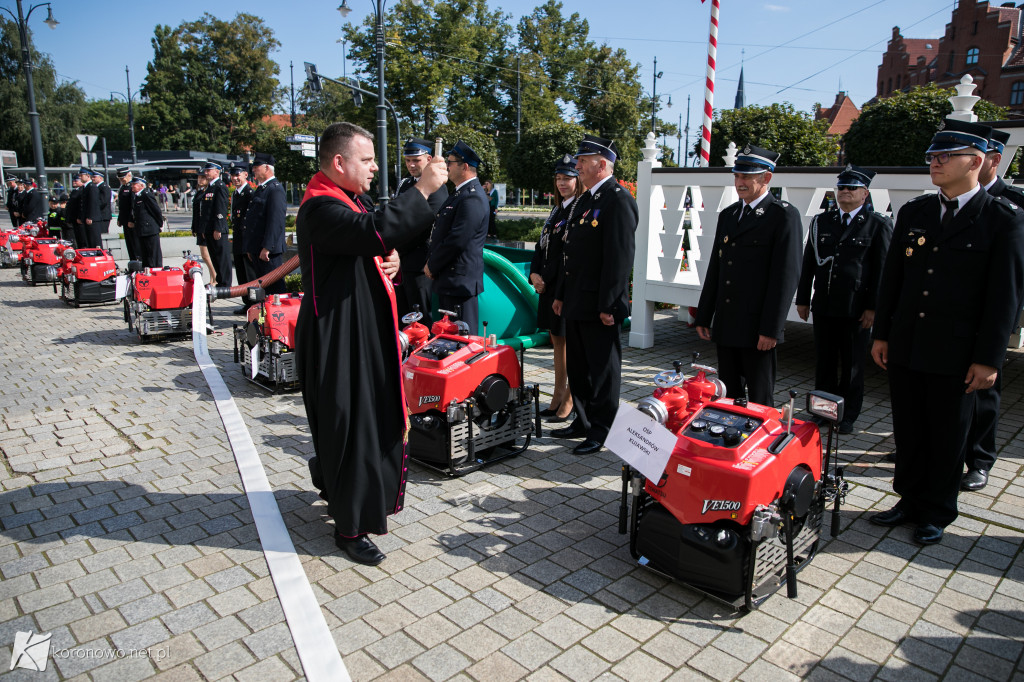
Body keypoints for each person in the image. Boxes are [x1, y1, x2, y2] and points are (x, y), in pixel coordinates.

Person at [296, 121, 447, 565]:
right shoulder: (320, 206)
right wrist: (422, 190)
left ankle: (333, 484)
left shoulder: (345, 198)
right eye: (366, 159)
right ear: (339, 162)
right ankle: (350, 527)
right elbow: (370, 231)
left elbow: (370, 236)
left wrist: (390, 255)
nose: (375, 167)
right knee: (353, 427)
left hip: (356, 329)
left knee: (348, 423)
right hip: (338, 337)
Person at [870, 118, 1024, 546]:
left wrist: (990, 358)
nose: (934, 163)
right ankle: (907, 499)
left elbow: (1004, 297)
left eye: (944, 156)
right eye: (932, 157)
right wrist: (882, 333)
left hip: (957, 353)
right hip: (908, 344)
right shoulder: (916, 211)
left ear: (975, 161)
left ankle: (936, 510)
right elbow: (893, 281)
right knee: (910, 427)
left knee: (947, 433)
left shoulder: (1002, 218)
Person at [694, 144, 802, 406]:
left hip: (757, 327)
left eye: (746, 177)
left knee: (759, 396)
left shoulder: (783, 216)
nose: (739, 183)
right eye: (737, 176)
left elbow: (785, 278)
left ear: (766, 178)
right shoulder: (729, 215)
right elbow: (717, 269)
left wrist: (771, 329)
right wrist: (705, 313)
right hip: (728, 321)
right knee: (728, 395)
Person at [551, 135, 638, 455]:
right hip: (576, 299)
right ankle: (583, 420)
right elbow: (570, 254)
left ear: (602, 165)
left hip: (600, 304)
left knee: (603, 369)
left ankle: (602, 430)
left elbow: (619, 259)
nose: (577, 166)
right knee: (579, 366)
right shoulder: (586, 199)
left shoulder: (618, 200)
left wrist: (610, 304)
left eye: (583, 162)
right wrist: (561, 294)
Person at [796, 165, 892, 434]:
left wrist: (874, 307)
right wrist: (803, 298)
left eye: (851, 188)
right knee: (824, 362)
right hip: (825, 304)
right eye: (841, 187)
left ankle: (847, 414)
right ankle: (822, 411)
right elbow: (809, 264)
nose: (845, 192)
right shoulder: (821, 222)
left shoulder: (878, 225)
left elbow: (882, 271)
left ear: (865, 193)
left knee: (852, 365)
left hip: (856, 309)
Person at [959, 129, 1024, 491]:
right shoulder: (948, 202)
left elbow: (1013, 275)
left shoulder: (1010, 206)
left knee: (983, 395)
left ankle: (979, 459)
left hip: (990, 319)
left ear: (991, 160)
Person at [530, 154, 582, 423]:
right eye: (559, 178)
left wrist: (548, 280)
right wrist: (534, 274)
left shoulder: (578, 210)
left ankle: (570, 399)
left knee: (571, 345)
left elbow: (568, 258)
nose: (562, 183)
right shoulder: (557, 209)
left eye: (568, 178)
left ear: (578, 179)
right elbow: (542, 247)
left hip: (564, 288)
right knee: (556, 342)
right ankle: (557, 394)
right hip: (548, 287)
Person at [425, 140, 489, 335]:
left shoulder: (472, 197)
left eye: (451, 162)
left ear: (465, 167)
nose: (447, 166)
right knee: (449, 340)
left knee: (462, 342)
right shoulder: (460, 194)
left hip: (459, 283)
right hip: (451, 280)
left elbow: (457, 239)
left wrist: (432, 264)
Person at [394, 137, 449, 323]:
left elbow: (424, 227)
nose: (411, 165)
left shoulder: (437, 187)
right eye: (408, 160)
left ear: (429, 159)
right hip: (401, 262)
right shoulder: (405, 184)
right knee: (403, 315)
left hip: (420, 263)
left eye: (416, 160)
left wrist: (393, 246)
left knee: (421, 317)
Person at [243, 153, 287, 295]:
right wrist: (251, 247)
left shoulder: (275, 189)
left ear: (267, 168)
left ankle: (278, 316)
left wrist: (268, 247)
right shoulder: (262, 189)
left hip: (268, 252)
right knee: (262, 288)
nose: (253, 170)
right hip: (257, 248)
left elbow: (276, 221)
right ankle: (264, 314)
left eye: (256, 167)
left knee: (274, 287)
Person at [200, 161, 231, 287]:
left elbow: (221, 209)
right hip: (209, 228)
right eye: (206, 171)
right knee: (215, 257)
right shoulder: (210, 187)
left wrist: (218, 227)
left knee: (221, 257)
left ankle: (225, 283)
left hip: (217, 229)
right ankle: (220, 281)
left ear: (217, 171)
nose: (206, 173)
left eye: (209, 170)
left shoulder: (220, 186)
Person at [229, 163, 254, 313]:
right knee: (241, 273)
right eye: (233, 175)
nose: (235, 178)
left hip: (247, 240)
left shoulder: (249, 193)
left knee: (249, 273)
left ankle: (254, 302)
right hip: (238, 238)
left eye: (238, 175)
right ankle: (246, 302)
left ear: (245, 175)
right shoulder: (235, 194)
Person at [130, 176, 164, 268]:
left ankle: (156, 271)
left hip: (150, 229)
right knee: (145, 255)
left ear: (141, 185)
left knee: (153, 254)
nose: (132, 186)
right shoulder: (137, 196)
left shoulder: (146, 195)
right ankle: (147, 271)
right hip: (142, 229)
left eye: (134, 184)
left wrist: (160, 224)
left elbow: (156, 210)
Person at [190, 173, 216, 282]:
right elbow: (196, 212)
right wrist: (194, 227)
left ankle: (214, 277)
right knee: (205, 255)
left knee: (206, 255)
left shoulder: (210, 192)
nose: (200, 180)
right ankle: (213, 277)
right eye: (199, 177)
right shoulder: (199, 193)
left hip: (207, 227)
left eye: (202, 178)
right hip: (200, 226)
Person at [115, 168, 139, 262]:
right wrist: (120, 218)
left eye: (123, 178)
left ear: (129, 175)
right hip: (125, 220)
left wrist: (131, 220)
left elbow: (133, 206)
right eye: (120, 179)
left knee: (135, 243)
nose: (121, 180)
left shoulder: (131, 187)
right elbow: (122, 206)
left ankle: (137, 262)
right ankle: (132, 261)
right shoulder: (123, 187)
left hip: (131, 221)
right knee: (129, 243)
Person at [89, 170, 112, 247]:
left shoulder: (104, 187)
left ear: (101, 178)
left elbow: (103, 201)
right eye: (92, 177)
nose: (93, 179)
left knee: (102, 236)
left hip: (103, 216)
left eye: (94, 177)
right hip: (98, 216)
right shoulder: (96, 187)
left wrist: (93, 209)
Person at [66, 176, 84, 248]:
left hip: (79, 219)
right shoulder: (75, 191)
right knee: (77, 237)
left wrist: (80, 217)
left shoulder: (82, 190)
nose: (74, 181)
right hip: (73, 218)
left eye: (76, 180)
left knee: (81, 237)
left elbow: (81, 205)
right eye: (73, 180)